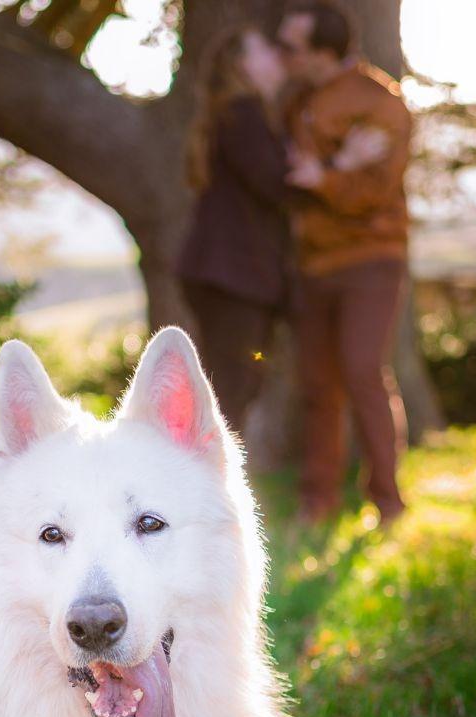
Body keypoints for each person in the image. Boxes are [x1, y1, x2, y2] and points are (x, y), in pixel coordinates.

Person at [277, 0, 412, 524]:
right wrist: (334, 166)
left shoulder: (381, 103)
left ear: (321, 52)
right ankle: (318, 501)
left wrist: (325, 176)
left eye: (292, 47)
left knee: (360, 370)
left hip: (370, 259)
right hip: (312, 265)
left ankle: (388, 501)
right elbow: (289, 177)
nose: (284, 56)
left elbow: (376, 191)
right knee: (317, 385)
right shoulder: (297, 102)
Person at [177, 23, 288, 431]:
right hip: (232, 276)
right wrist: (336, 166)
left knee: (230, 384)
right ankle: (213, 484)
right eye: (265, 50)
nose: (278, 57)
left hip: (220, 274)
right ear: (243, 64)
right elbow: (275, 183)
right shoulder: (244, 115)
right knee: (232, 388)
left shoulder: (233, 114)